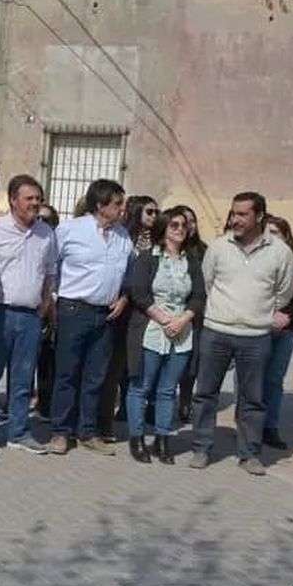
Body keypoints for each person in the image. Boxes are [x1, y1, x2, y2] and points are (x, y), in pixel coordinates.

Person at [188, 192, 293, 475]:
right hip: (216, 332)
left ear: (259, 216)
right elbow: (207, 283)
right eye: (233, 213)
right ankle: (201, 447)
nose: (234, 219)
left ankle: (249, 454)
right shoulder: (219, 247)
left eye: (242, 214)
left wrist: (256, 315)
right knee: (205, 394)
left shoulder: (280, 252)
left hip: (256, 337)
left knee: (253, 399)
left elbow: (283, 294)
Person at [48, 179, 133, 456]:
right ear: (100, 205)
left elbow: (127, 275)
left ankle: (88, 431)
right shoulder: (70, 230)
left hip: (107, 314)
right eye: (117, 203)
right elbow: (50, 266)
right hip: (74, 310)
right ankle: (61, 432)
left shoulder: (123, 237)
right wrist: (52, 299)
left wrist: (123, 298)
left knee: (96, 376)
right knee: (67, 374)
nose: (122, 208)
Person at [0, 175, 56, 454]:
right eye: (29, 198)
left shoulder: (47, 234)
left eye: (38, 198)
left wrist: (45, 305)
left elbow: (50, 274)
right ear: (13, 200)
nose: (35, 203)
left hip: (31, 316)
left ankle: (19, 432)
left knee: (23, 379)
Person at [125, 207, 206, 464]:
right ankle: (137, 438)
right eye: (174, 225)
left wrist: (182, 319)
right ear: (163, 229)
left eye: (183, 225)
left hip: (181, 332)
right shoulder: (148, 258)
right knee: (141, 387)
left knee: (167, 390)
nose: (180, 229)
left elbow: (199, 296)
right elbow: (138, 292)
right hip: (151, 329)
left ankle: (162, 438)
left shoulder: (191, 261)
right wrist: (162, 319)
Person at [97, 194, 159, 440]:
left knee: (137, 369)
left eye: (156, 212)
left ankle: (134, 413)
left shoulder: (158, 242)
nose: (154, 216)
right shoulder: (124, 239)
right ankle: (104, 422)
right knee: (111, 370)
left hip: (147, 314)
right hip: (121, 312)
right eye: (149, 212)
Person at [259, 215, 293, 449]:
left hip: (285, 328)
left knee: (274, 379)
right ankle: (247, 424)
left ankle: (270, 426)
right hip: (258, 326)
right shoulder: (257, 260)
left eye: (276, 232)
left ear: (287, 236)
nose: (272, 237)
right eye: (267, 232)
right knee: (250, 378)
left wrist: (287, 315)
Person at [172, 204, 207, 423]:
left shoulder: (204, 250)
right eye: (183, 221)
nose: (188, 225)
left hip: (195, 314)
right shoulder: (169, 249)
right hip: (170, 313)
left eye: (192, 221)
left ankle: (185, 402)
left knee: (190, 364)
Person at [34, 202, 61, 419]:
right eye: (39, 218)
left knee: (48, 360)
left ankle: (46, 404)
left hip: (53, 307)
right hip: (30, 306)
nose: (43, 223)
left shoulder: (58, 244)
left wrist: (51, 304)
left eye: (48, 220)